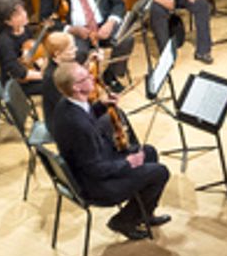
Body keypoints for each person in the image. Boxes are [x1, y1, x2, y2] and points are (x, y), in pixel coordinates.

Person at [48, 63, 170, 240]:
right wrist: (128, 163)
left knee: (149, 152)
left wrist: (101, 106)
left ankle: (143, 213)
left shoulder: (68, 103)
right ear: (76, 87)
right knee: (160, 172)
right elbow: (95, 169)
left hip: (96, 161)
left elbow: (88, 117)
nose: (92, 77)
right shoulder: (78, 125)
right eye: (86, 77)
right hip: (97, 185)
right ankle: (123, 221)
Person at [38, 0, 134, 83]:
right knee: (77, 53)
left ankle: (111, 75)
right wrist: (71, 29)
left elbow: (118, 3)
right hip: (76, 32)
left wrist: (110, 22)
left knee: (126, 38)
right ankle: (83, 83)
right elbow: (45, 18)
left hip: (103, 24)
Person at [0, 0, 45, 100]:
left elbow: (33, 53)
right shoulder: (5, 43)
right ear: (7, 22)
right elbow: (17, 72)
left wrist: (43, 65)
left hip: (30, 70)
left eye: (23, 10)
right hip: (16, 82)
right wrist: (44, 75)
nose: (24, 14)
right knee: (55, 85)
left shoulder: (24, 29)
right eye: (18, 14)